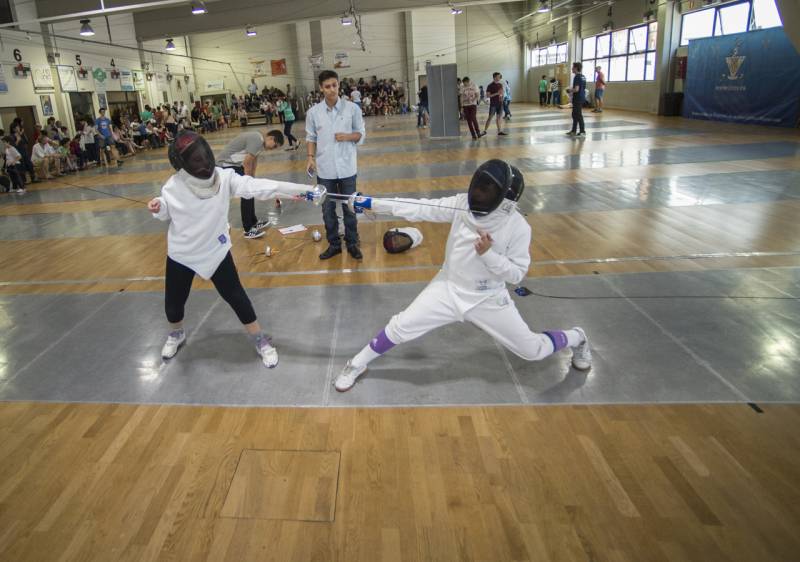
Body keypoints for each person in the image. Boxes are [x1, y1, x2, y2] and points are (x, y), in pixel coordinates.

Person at [331, 160, 592, 392]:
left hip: (487, 298)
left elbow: (516, 274)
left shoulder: (518, 227)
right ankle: (356, 364)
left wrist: (489, 255)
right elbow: (418, 208)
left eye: (486, 192)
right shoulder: (461, 205)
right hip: (448, 287)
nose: (477, 196)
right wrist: (372, 203)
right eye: (478, 188)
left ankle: (578, 336)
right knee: (400, 326)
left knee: (532, 350)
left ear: (505, 201)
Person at [147, 130, 316, 367]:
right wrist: (159, 206)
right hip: (181, 253)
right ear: (183, 164)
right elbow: (167, 208)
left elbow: (259, 186)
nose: (203, 162)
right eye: (195, 159)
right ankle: (176, 334)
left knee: (236, 296)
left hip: (214, 250)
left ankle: (259, 339)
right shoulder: (173, 185)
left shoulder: (224, 177)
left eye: (203, 155)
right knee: (173, 303)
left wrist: (303, 191)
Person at [305, 69, 366, 260]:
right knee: (327, 210)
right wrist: (310, 157)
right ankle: (334, 244)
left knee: (350, 208)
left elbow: (361, 135)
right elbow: (310, 137)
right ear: (321, 89)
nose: (332, 90)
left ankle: (353, 243)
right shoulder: (313, 113)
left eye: (334, 85)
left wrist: (347, 136)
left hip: (347, 168)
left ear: (339, 85)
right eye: (327, 87)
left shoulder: (352, 109)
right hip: (325, 170)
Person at [216, 128, 286, 239]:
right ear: (271, 138)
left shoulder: (260, 143)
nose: (273, 149)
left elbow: (253, 161)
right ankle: (248, 229)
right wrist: (248, 181)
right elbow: (247, 161)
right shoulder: (257, 139)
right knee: (247, 191)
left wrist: (252, 178)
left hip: (235, 165)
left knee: (250, 189)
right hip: (224, 165)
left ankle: (253, 221)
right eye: (275, 145)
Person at [566, 62, 587, 137]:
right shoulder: (583, 76)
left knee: (578, 115)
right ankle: (573, 131)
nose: (572, 68)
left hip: (578, 98)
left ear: (576, 68)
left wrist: (569, 90)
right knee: (574, 114)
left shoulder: (577, 77)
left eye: (573, 67)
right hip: (581, 97)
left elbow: (577, 89)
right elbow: (582, 88)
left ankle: (582, 131)